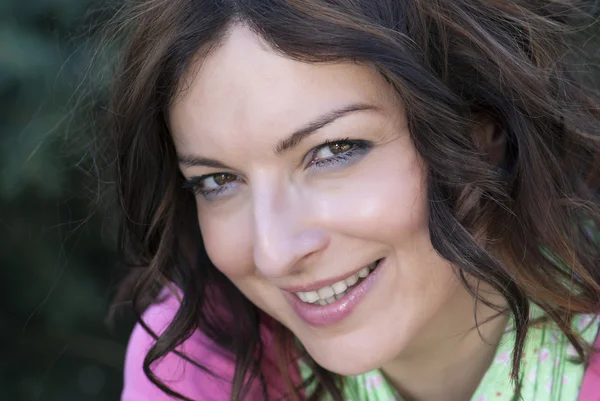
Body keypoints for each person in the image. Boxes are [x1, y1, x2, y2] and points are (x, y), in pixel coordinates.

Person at [107, 0, 600, 400]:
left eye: (333, 151)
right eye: (217, 181)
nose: (274, 253)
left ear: (482, 129)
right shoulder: (198, 363)